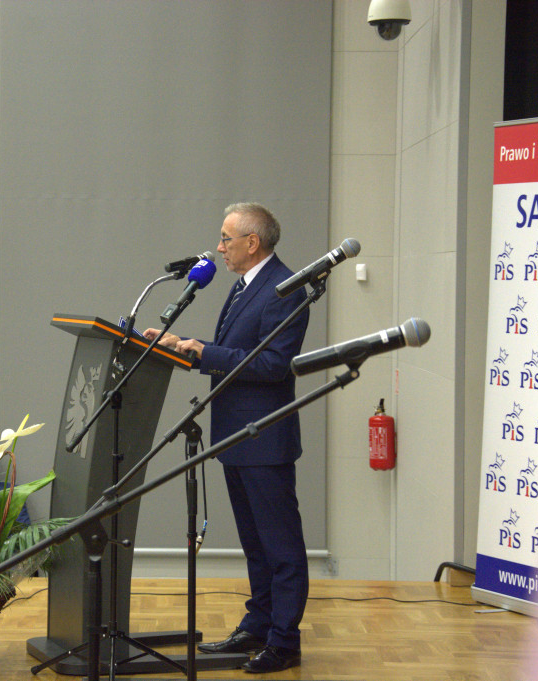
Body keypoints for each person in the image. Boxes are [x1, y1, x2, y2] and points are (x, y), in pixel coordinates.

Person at [144, 202, 310, 673]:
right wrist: (183, 345)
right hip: (236, 436)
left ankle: (284, 641)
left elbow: (273, 365)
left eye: (225, 238)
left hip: (265, 438)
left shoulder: (285, 289)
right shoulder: (243, 286)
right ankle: (258, 625)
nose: (218, 248)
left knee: (280, 546)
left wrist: (205, 352)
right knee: (255, 544)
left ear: (251, 242)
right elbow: (237, 351)